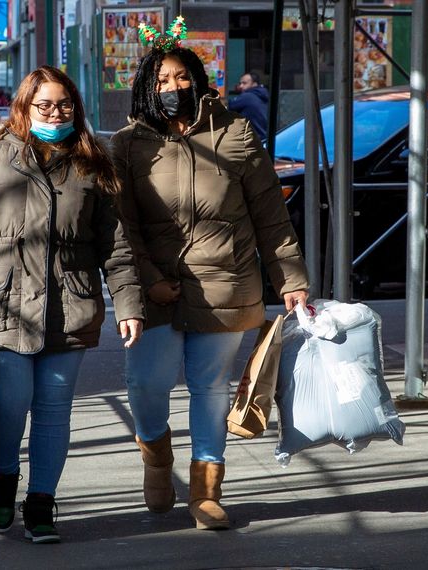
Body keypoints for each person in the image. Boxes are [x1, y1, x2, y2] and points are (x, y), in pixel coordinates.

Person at [0, 65, 145, 544]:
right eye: (44, 104)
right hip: (2, 305)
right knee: (9, 407)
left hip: (70, 307)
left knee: (53, 411)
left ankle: (42, 502)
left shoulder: (93, 160)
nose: (55, 112)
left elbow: (116, 245)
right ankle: (3, 483)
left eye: (64, 104)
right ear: (24, 106)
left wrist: (128, 304)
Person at [111, 42, 309, 531]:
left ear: (197, 80)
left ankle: (206, 491)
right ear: (145, 89)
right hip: (156, 292)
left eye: (181, 77)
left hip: (226, 282)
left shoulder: (237, 134)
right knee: (146, 383)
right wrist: (149, 281)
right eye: (160, 81)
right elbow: (122, 227)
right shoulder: (129, 145)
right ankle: (156, 456)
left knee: (211, 388)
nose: (173, 88)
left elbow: (270, 215)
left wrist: (291, 278)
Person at [228, 71, 269, 141]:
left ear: (254, 84)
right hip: (264, 139)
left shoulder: (247, 96)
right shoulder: (263, 95)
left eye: (244, 83)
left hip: (252, 141)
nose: (241, 86)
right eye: (240, 83)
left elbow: (230, 107)